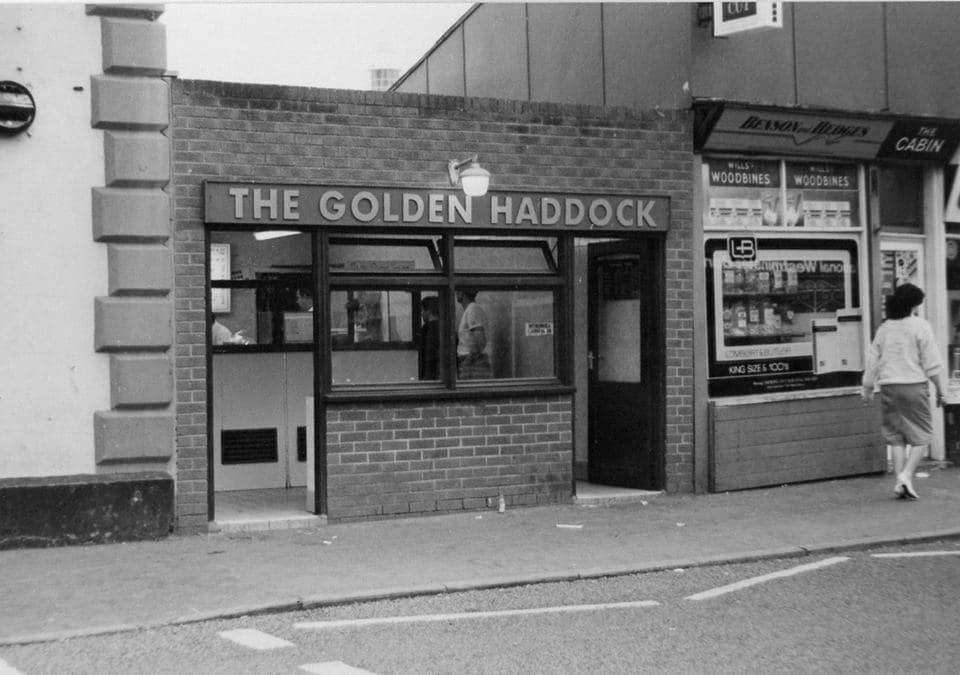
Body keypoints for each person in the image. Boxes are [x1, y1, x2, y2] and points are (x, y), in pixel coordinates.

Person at [862, 283, 945, 499]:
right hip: (913, 385)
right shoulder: (921, 326)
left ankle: (900, 483)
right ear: (914, 305)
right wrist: (941, 389)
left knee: (896, 437)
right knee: (923, 435)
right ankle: (907, 475)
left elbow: (873, 360)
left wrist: (868, 386)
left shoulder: (885, 328)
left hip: (889, 386)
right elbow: (932, 363)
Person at [456, 289, 491, 379]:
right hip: (470, 361)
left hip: (473, 363)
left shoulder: (472, 309)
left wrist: (469, 361)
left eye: (457, 291)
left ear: (462, 293)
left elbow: (479, 339)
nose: (456, 294)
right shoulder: (469, 310)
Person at [418, 296, 441, 380]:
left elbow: (429, 355)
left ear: (429, 311)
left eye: (422, 310)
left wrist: (426, 378)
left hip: (431, 376)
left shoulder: (428, 329)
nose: (421, 313)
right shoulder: (446, 328)